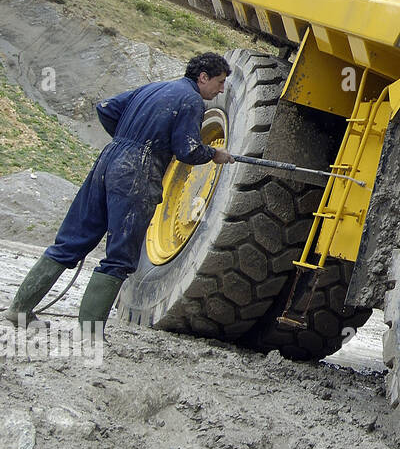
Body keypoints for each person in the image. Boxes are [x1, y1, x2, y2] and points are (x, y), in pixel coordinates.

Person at [3, 52, 235, 335]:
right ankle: (88, 333)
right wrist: (214, 153)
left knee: (70, 241)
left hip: (108, 160)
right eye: (220, 82)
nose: (221, 89)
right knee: (119, 257)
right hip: (138, 170)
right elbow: (188, 150)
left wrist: (128, 138)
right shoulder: (191, 101)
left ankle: (19, 310)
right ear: (203, 77)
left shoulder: (154, 88)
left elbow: (106, 108)